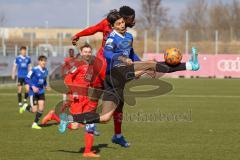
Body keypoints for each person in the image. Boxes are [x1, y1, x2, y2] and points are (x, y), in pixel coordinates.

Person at [59, 10, 200, 132]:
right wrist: (123, 58)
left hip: (117, 82)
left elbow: (131, 55)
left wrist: (139, 63)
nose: (122, 25)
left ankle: (69, 118)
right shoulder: (111, 38)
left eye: (122, 22)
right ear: (113, 26)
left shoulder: (128, 36)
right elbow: (108, 54)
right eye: (119, 24)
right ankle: (190, 65)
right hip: (115, 73)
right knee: (151, 65)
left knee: (105, 117)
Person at [71, 6, 138, 147]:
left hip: (115, 69)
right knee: (96, 97)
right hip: (103, 66)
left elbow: (130, 52)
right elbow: (93, 29)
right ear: (123, 19)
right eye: (131, 19)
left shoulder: (125, 33)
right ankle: (85, 126)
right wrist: (79, 34)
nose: (134, 21)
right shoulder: (108, 23)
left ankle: (117, 135)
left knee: (118, 105)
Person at [19, 55, 49, 129]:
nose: (44, 62)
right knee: (34, 110)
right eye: (42, 61)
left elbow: (44, 80)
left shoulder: (46, 70)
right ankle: (25, 106)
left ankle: (35, 124)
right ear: (39, 61)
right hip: (33, 92)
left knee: (41, 108)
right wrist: (33, 86)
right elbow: (27, 78)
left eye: (45, 61)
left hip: (41, 91)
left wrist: (46, 85)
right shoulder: (34, 69)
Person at [11, 46, 31, 111]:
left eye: (25, 50)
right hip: (20, 77)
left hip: (26, 77)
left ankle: (25, 100)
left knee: (28, 89)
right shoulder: (17, 58)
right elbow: (14, 66)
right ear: (20, 51)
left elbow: (29, 67)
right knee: (19, 90)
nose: (24, 52)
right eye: (22, 50)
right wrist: (13, 74)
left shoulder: (28, 58)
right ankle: (20, 103)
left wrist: (30, 74)